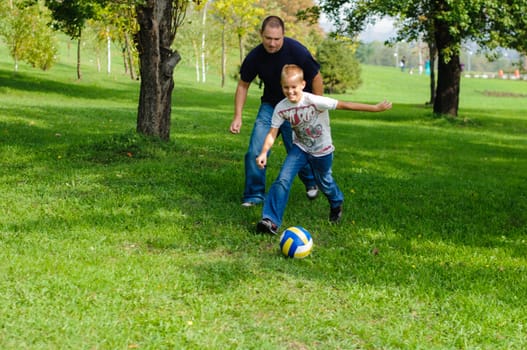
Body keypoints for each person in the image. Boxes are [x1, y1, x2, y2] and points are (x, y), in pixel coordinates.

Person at [255, 64, 392, 234]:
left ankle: (336, 202)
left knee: (325, 182)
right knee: (283, 178)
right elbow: (272, 132)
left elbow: (346, 105)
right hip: (300, 148)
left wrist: (375, 108)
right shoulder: (281, 108)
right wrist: (263, 152)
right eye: (286, 87)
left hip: (322, 150)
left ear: (303, 85)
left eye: (294, 87)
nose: (290, 91)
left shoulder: (315, 101)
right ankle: (271, 221)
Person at [229, 15, 323, 207]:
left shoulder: (297, 51)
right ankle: (254, 195)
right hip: (271, 107)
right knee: (256, 148)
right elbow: (243, 86)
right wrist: (238, 115)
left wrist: (316, 107)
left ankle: (311, 181)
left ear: (283, 35)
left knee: (296, 148)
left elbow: (316, 77)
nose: (272, 43)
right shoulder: (255, 56)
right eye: (268, 38)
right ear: (261, 35)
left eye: (277, 39)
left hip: (296, 107)